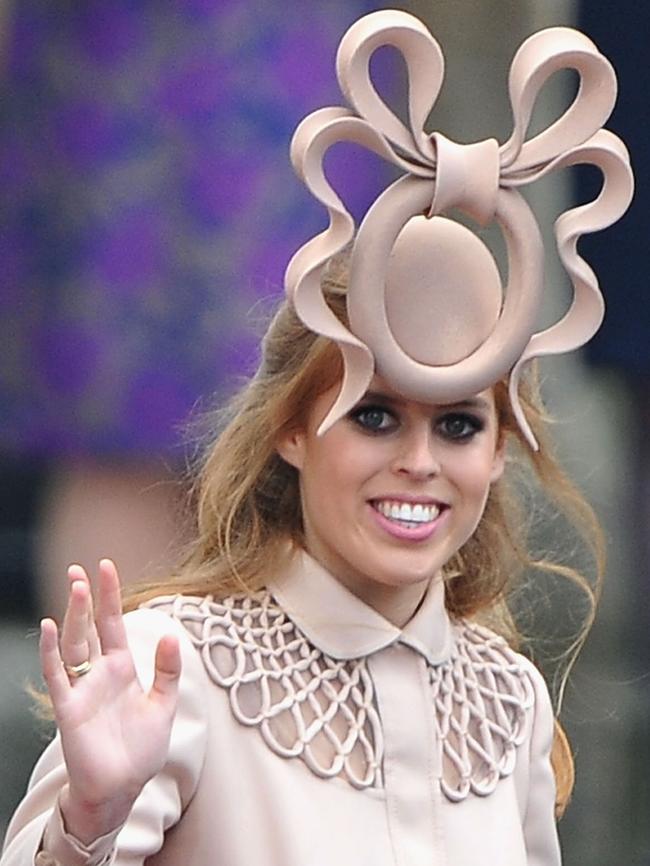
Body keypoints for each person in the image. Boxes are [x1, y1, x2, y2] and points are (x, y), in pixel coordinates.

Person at [0, 9, 632, 866]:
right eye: (376, 414)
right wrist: (88, 819)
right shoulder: (173, 668)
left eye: (458, 425)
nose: (419, 461)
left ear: (499, 452)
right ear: (292, 430)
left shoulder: (509, 702)